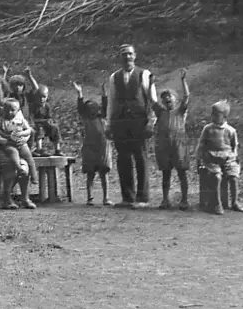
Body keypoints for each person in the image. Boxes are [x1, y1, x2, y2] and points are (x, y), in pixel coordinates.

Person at [104, 44, 158, 208]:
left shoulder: (144, 74)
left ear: (135, 56)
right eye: (123, 55)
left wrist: (151, 121)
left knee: (141, 158)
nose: (127, 57)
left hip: (139, 122)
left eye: (130, 54)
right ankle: (127, 197)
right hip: (120, 122)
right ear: (120, 58)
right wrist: (109, 124)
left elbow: (152, 100)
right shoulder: (114, 77)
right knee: (123, 159)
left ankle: (142, 198)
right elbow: (111, 101)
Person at [196, 100, 243, 214]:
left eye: (216, 114)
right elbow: (201, 145)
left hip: (228, 158)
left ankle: (235, 201)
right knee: (217, 177)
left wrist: (235, 158)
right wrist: (199, 159)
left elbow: (234, 146)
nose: (213, 116)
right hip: (212, 159)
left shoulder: (230, 130)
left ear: (224, 116)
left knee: (233, 177)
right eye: (212, 114)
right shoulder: (208, 129)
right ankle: (217, 203)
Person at [153, 70, 191, 211]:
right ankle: (165, 199)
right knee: (166, 173)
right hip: (164, 146)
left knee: (182, 173)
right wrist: (151, 84)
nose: (167, 98)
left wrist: (183, 81)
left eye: (170, 96)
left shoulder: (180, 111)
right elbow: (151, 99)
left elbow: (187, 96)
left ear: (175, 99)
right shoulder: (160, 112)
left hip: (179, 145)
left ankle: (185, 200)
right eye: (164, 97)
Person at [73, 82, 112, 206]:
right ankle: (90, 198)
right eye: (89, 107)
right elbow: (80, 108)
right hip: (90, 147)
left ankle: (106, 198)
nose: (91, 109)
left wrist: (104, 92)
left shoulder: (103, 117)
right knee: (90, 173)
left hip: (103, 148)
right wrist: (79, 94)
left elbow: (106, 105)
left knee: (103, 172)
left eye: (93, 107)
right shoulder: (86, 119)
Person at [0, 98, 38, 201]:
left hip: (20, 142)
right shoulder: (1, 119)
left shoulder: (20, 119)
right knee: (13, 152)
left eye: (12, 110)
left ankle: (34, 175)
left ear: (17, 111)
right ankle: (18, 167)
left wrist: (21, 134)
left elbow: (28, 130)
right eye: (7, 110)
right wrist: (6, 136)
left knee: (28, 156)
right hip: (9, 143)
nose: (9, 112)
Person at [25, 68, 60, 156]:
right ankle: (39, 149)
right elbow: (31, 120)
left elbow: (49, 117)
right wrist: (43, 121)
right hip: (35, 125)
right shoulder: (33, 106)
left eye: (44, 97)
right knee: (39, 129)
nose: (41, 99)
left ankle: (57, 149)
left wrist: (49, 121)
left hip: (45, 125)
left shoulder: (46, 106)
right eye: (39, 97)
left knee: (54, 127)